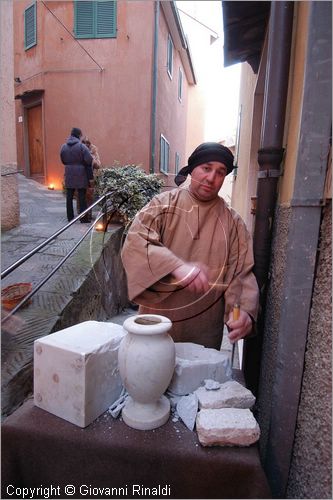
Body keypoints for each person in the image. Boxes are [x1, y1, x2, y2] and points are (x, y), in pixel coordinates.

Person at [121, 142, 259, 350]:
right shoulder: (162, 204)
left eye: (220, 172)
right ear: (192, 169)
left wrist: (244, 313)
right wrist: (177, 267)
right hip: (155, 326)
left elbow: (240, 274)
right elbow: (136, 242)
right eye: (206, 168)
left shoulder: (233, 223)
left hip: (203, 334)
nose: (211, 178)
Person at [60, 127, 93, 223]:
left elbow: (63, 160)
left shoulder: (63, 146)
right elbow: (89, 160)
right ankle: (83, 218)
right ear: (79, 135)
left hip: (69, 172)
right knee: (82, 196)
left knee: (69, 196)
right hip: (81, 173)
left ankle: (70, 218)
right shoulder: (82, 147)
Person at [81, 136, 102, 220]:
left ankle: (89, 214)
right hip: (81, 176)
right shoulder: (80, 151)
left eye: (87, 143)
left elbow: (98, 165)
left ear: (90, 144)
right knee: (81, 196)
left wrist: (93, 160)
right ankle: (81, 213)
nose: (86, 144)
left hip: (90, 176)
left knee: (89, 196)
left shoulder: (94, 152)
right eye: (84, 142)